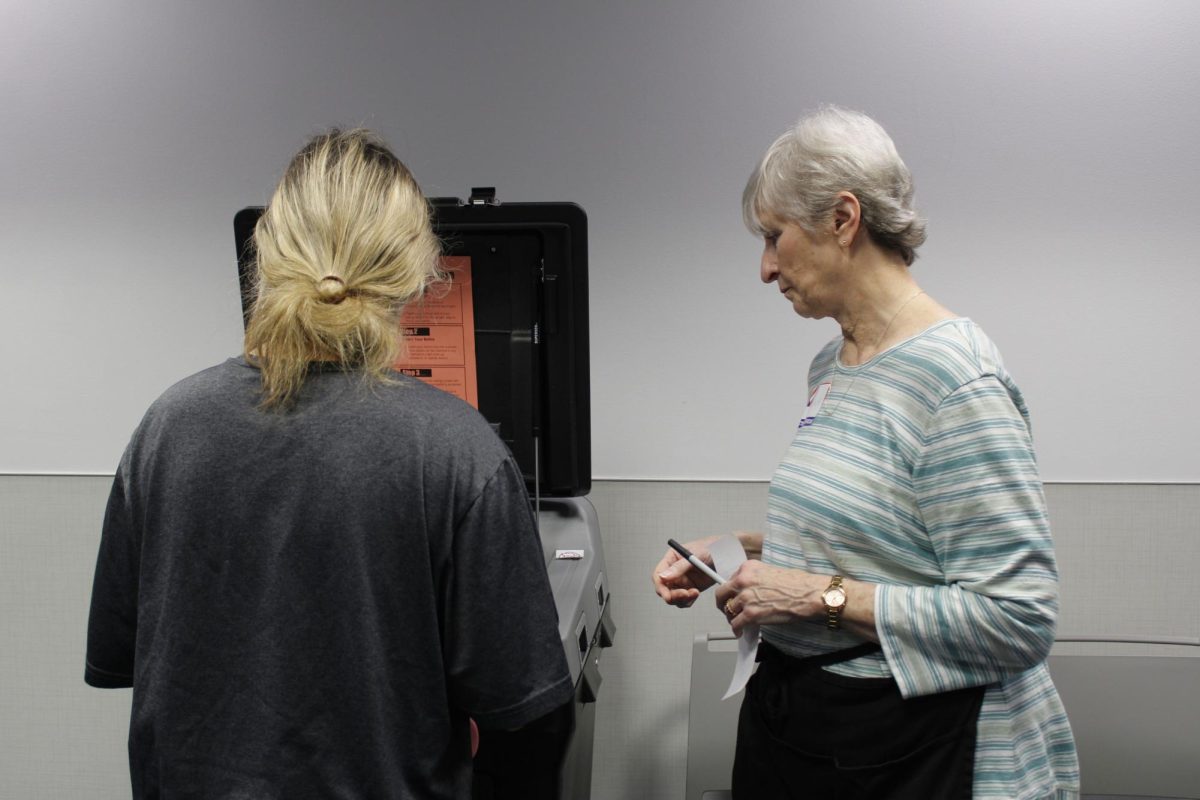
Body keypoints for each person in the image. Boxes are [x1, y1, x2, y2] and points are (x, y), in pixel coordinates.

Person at [85, 129, 574, 799]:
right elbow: (528, 720)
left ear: (268, 255)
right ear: (415, 271)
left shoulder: (167, 428)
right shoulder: (459, 453)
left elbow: (130, 658)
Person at [653, 106, 1079, 799]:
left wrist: (813, 595)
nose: (765, 268)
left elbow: (1017, 618)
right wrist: (747, 551)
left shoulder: (954, 381)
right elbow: (889, 534)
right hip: (804, 720)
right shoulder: (835, 364)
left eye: (774, 235)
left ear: (843, 220)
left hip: (900, 741)